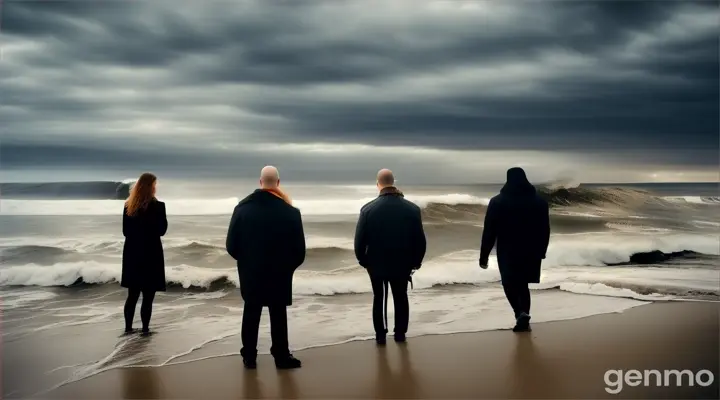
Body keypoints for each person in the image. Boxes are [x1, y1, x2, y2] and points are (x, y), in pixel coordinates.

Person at [226, 166, 306, 369]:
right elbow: (299, 251)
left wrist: (246, 262)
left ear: (260, 182)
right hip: (280, 271)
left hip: (251, 270)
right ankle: (281, 356)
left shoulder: (242, 209)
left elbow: (231, 246)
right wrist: (287, 267)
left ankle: (249, 357)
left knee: (251, 311)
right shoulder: (291, 212)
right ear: (278, 183)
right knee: (278, 312)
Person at [354, 169, 426, 345]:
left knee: (379, 297)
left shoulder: (368, 209)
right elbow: (420, 240)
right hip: (403, 262)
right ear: (394, 182)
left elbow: (359, 241)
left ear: (378, 184)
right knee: (401, 296)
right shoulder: (412, 209)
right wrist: (416, 262)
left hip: (376, 263)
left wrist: (363, 261)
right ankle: (400, 333)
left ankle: (380, 335)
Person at [479, 167, 550, 332]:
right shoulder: (540, 202)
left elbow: (489, 230)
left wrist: (484, 256)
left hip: (507, 250)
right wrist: (542, 250)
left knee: (509, 283)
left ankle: (519, 313)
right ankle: (524, 314)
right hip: (531, 250)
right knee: (523, 284)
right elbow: (545, 229)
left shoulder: (497, 201)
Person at [121, 172, 168, 336]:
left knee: (132, 295)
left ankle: (128, 328)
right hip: (151, 253)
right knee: (148, 296)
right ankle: (145, 329)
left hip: (132, 254)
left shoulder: (129, 206)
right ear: (152, 187)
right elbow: (162, 231)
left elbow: (125, 232)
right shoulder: (159, 206)